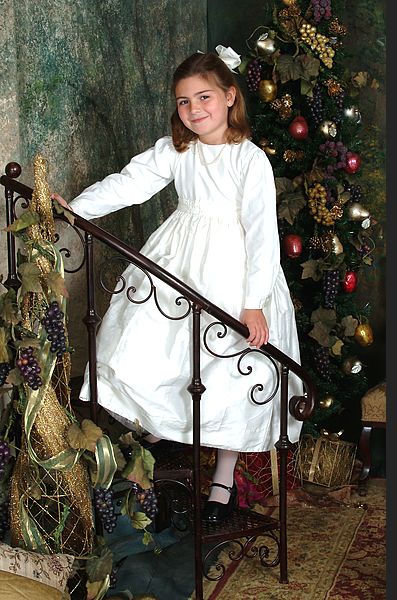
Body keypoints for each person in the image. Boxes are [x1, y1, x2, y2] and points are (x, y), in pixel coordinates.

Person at [52, 48, 303, 523]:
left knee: (231, 373)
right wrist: (78, 208)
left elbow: (262, 233)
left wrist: (253, 304)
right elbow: (130, 182)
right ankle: (157, 428)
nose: (194, 110)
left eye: (204, 97)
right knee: (155, 344)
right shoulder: (176, 149)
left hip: (235, 270)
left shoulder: (250, 160)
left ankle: (223, 486)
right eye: (184, 102)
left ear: (230, 97)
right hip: (181, 257)